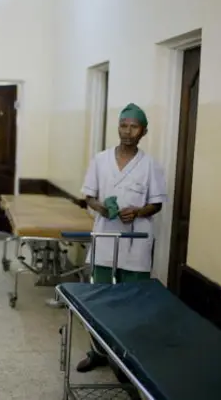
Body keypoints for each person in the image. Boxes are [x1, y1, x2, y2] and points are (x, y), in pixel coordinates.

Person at [77, 103, 167, 373]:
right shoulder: (100, 160)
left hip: (135, 242)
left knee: (132, 301)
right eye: (123, 125)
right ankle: (98, 352)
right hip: (105, 237)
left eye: (134, 127)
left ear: (144, 132)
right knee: (99, 297)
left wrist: (138, 211)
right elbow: (89, 197)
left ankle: (128, 358)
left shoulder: (150, 165)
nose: (127, 132)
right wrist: (101, 207)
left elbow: (158, 203)